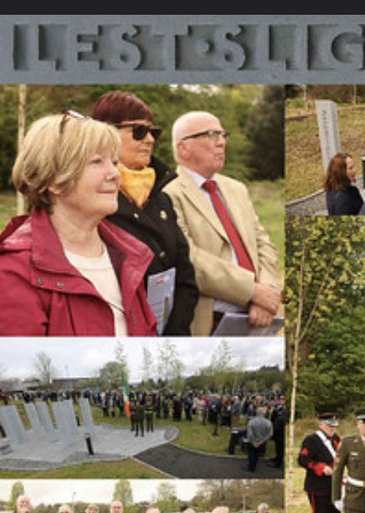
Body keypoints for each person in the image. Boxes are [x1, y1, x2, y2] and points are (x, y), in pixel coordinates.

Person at [0, 112, 157, 335]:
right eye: (96, 162)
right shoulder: (13, 272)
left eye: (114, 162)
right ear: (54, 180)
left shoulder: (129, 255)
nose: (114, 173)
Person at [163, 109, 281, 335]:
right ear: (183, 147)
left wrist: (266, 293)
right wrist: (251, 291)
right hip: (210, 321)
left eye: (222, 135)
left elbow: (263, 243)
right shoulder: (169, 194)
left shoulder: (236, 189)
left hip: (258, 316)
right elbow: (190, 258)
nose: (221, 143)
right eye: (210, 135)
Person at [89, 90, 198, 335]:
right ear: (104, 134)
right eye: (138, 131)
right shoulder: (90, 202)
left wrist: (173, 334)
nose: (149, 139)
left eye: (153, 132)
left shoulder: (161, 198)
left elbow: (186, 277)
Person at [299, 412, 341, 513]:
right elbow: (303, 460)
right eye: (330, 426)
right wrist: (321, 467)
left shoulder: (336, 439)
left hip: (335, 485)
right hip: (317, 486)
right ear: (321, 424)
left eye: (334, 426)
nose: (332, 429)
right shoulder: (311, 440)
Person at [244, 406, 275, 472]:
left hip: (252, 441)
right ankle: (254, 465)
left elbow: (250, 434)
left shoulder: (251, 422)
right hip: (262, 442)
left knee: (251, 454)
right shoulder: (268, 423)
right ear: (264, 413)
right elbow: (270, 434)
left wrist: (253, 442)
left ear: (256, 413)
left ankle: (251, 467)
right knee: (257, 454)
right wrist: (262, 441)